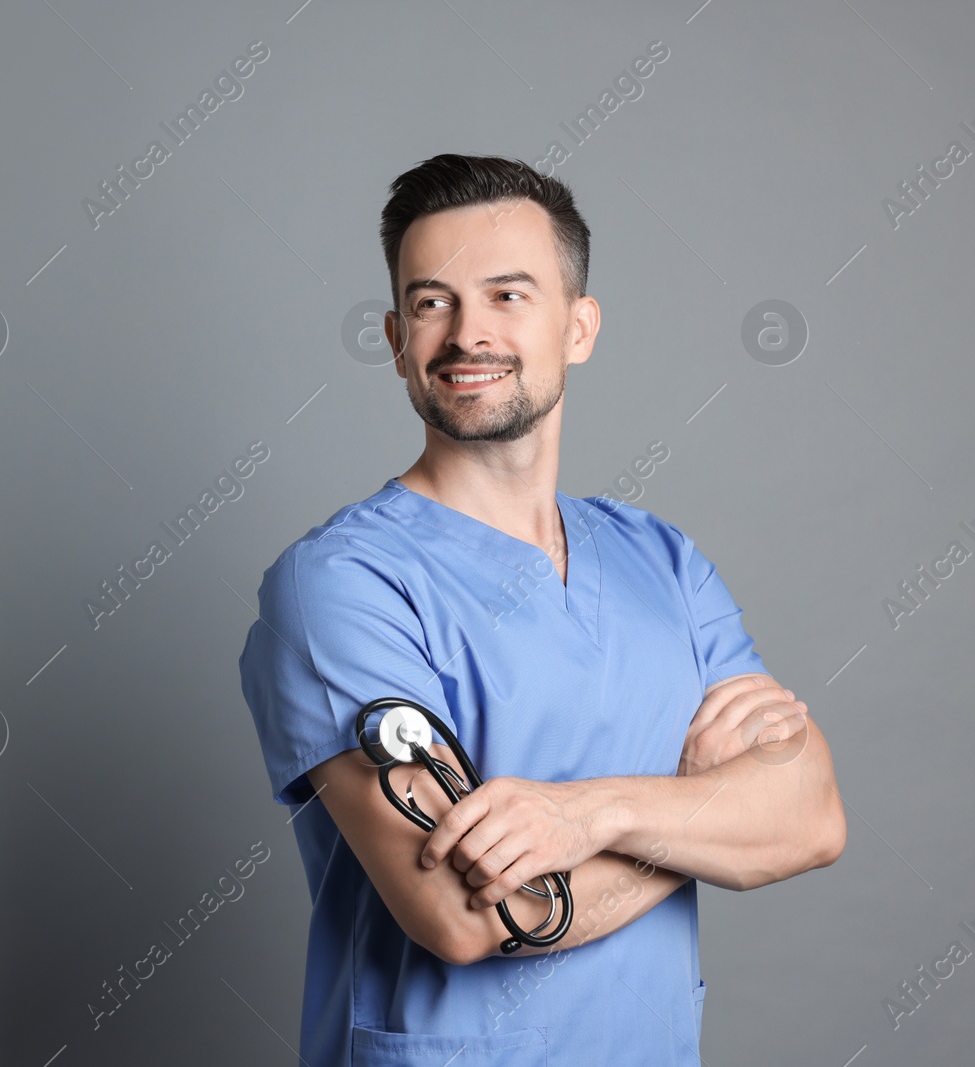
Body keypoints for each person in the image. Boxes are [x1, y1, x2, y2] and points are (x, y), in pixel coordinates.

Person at [237, 153, 846, 1066]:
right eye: (433, 301)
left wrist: (590, 816)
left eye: (509, 295)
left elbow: (811, 819)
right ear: (398, 338)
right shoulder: (340, 585)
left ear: (579, 326)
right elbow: (465, 916)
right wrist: (701, 812)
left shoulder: (662, 562)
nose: (465, 333)